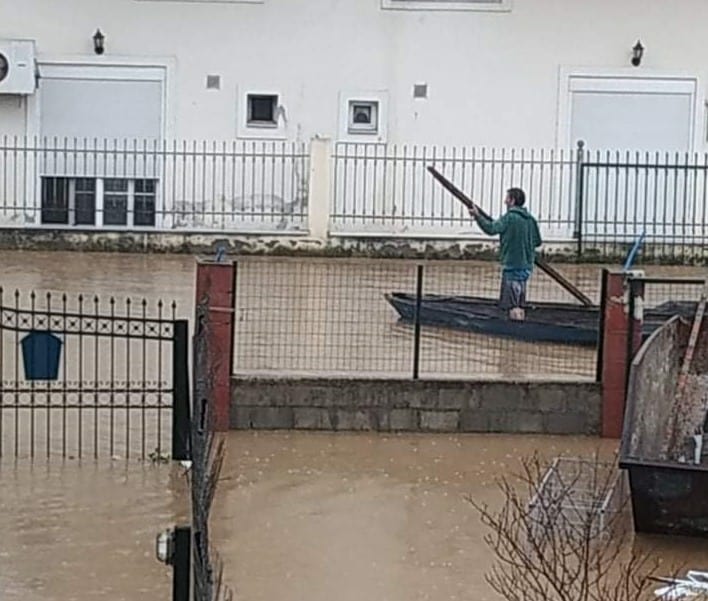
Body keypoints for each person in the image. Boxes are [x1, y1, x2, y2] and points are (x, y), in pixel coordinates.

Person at [468, 188, 542, 321]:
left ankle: (513, 327)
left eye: (507, 198)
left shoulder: (509, 218)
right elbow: (537, 242)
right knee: (519, 300)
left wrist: (477, 216)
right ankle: (518, 322)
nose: (505, 201)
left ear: (512, 201)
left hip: (511, 265)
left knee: (512, 304)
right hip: (527, 266)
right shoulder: (531, 220)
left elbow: (491, 229)